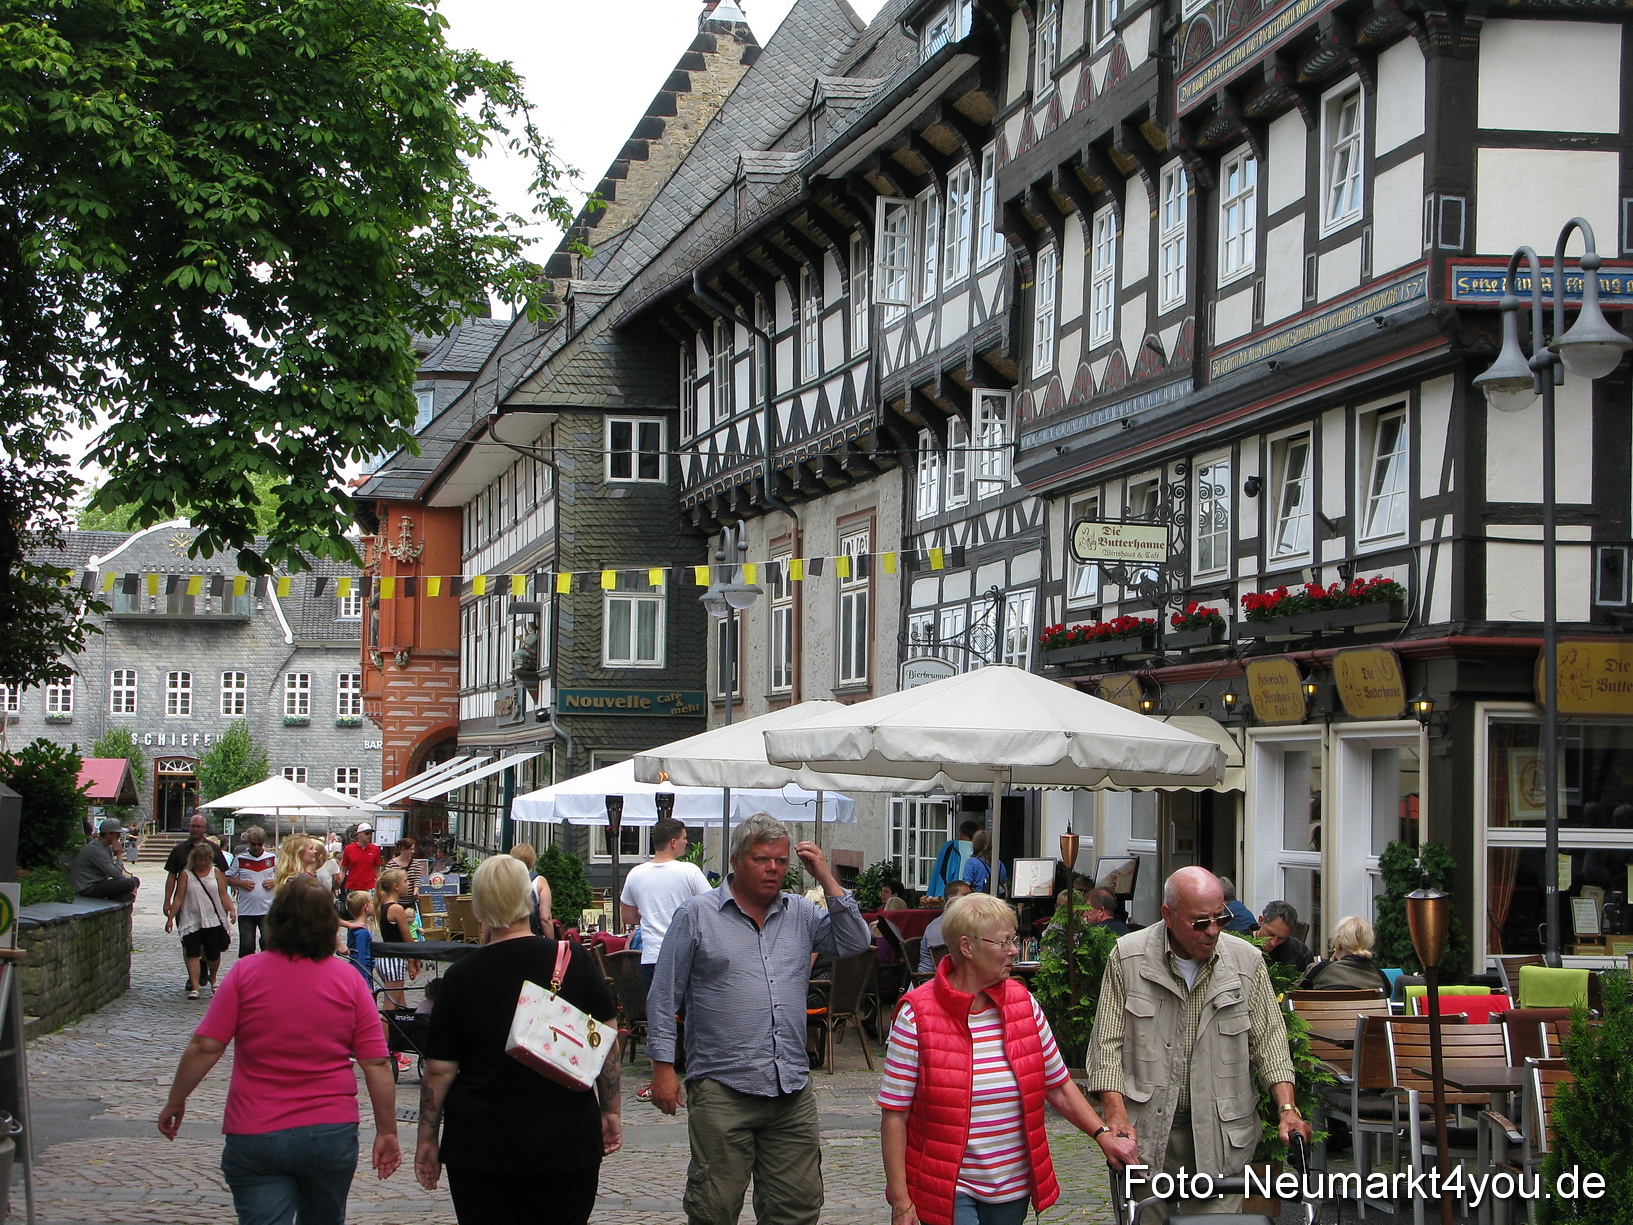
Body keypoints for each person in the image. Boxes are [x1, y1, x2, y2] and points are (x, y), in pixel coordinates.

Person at [647, 813, 871, 1225]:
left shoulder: (801, 914)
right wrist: (663, 1067)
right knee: (714, 1208)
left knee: (798, 1206)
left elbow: (856, 939)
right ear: (736, 860)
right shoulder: (696, 916)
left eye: (781, 861)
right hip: (722, 1085)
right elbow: (664, 996)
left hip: (790, 1088)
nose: (773, 869)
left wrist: (825, 876)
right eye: (762, 859)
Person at [881, 893, 1138, 1225]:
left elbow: (1058, 1086)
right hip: (948, 1186)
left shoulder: (1024, 1004)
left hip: (1012, 1185)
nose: (1014, 951)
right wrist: (901, 1201)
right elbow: (894, 1116)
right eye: (1004, 942)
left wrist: (1102, 1135)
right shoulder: (916, 1015)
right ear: (967, 947)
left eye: (1013, 940)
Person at [158, 877, 401, 1222]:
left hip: (255, 1128)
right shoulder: (348, 980)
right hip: (329, 1129)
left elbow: (205, 1046)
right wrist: (387, 1131)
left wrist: (176, 1100)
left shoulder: (246, 973)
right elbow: (376, 1063)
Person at [1088, 866, 1310, 1221]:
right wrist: (1114, 1113)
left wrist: (1287, 1110)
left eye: (1220, 918)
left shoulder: (1246, 961)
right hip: (1146, 1134)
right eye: (1199, 922)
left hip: (1222, 1135)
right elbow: (1106, 1046)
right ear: (1168, 915)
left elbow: (1270, 1042)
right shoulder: (1128, 957)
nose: (1212, 931)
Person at [416, 855, 620, 1225]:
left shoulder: (461, 977)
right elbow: (607, 1044)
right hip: (565, 1139)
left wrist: (427, 1139)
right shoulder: (572, 958)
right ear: (529, 900)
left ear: (479, 906)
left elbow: (439, 1071)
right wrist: (611, 1110)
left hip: (481, 1145)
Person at [166, 843, 237, 1000]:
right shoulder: (186, 875)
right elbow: (179, 897)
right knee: (192, 952)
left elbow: (223, 894)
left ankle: (213, 977)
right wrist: (171, 918)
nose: (202, 863)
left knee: (213, 953)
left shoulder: (216, 873)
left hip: (212, 918)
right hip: (191, 918)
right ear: (194, 859)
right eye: (199, 860)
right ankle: (195, 986)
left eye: (205, 860)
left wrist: (231, 910)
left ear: (210, 859)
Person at [1297, 915, 1391, 993]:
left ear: (1338, 943)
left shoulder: (1318, 971)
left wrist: (1326, 965)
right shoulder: (1382, 979)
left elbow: (1289, 997)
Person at [164, 812, 229, 921]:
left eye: (198, 826)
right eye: (192, 826)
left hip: (209, 903)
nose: (195, 829)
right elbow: (171, 876)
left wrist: (224, 901)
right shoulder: (179, 850)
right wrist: (167, 901)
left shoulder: (214, 850)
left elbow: (222, 876)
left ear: (205, 828)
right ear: (188, 827)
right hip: (185, 902)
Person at [225, 826, 276, 957]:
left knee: (268, 943)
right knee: (247, 947)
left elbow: (285, 876)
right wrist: (240, 883)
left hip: (267, 909)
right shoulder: (240, 859)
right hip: (246, 910)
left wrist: (275, 881)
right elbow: (226, 878)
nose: (257, 847)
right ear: (249, 842)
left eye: (260, 844)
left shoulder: (272, 858)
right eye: (254, 844)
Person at [374, 868, 419, 1011]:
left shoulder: (383, 905)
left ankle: (401, 1033)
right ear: (396, 886)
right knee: (389, 1009)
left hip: (386, 958)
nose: (408, 883)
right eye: (405, 881)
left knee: (401, 1006)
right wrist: (415, 959)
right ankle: (383, 1034)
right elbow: (407, 939)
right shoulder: (397, 909)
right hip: (395, 959)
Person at [69, 818, 140, 900]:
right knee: (130, 883)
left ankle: (120, 896)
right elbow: (116, 874)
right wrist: (119, 855)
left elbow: (115, 872)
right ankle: (120, 896)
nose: (119, 836)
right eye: (117, 834)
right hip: (88, 887)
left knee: (134, 880)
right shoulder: (96, 849)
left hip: (99, 882)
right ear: (108, 834)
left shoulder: (106, 847)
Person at [918, 880, 973, 975]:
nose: (970, 900)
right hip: (930, 980)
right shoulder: (939, 927)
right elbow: (943, 966)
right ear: (952, 898)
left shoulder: (962, 924)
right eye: (965, 896)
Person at [506, 843, 555, 935]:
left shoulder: (502, 881)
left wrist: (487, 944)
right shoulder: (539, 881)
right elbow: (545, 918)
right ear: (532, 860)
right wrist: (550, 944)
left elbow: (489, 919)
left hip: (505, 938)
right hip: (531, 937)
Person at [1256, 898, 1314, 971]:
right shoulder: (1240, 943)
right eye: (1271, 934)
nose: (1273, 942)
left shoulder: (1300, 954)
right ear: (1261, 920)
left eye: (1281, 938)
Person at [926, 820, 980, 898]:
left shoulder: (951, 846)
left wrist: (931, 894)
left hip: (952, 891)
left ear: (961, 833)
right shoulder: (979, 849)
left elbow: (939, 871)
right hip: (972, 894)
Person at [961, 830, 1007, 896]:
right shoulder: (998, 863)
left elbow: (966, 886)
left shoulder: (971, 863)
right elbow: (1004, 887)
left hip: (979, 901)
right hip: (995, 901)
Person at [340, 823, 382, 894]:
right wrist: (338, 884)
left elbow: (377, 870)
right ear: (359, 834)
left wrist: (380, 886)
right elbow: (343, 869)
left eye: (370, 833)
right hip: (352, 887)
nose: (369, 836)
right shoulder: (349, 849)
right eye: (366, 833)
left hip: (369, 887)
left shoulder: (375, 849)